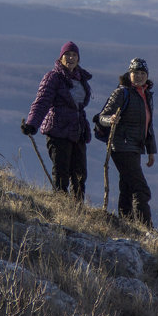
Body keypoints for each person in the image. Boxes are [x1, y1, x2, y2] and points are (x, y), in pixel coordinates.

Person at [21, 41, 93, 200]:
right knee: (61, 173)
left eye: (74, 55)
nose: (71, 58)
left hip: (78, 132)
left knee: (80, 175)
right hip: (58, 131)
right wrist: (32, 124)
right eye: (67, 54)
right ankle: (61, 207)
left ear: (78, 59)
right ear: (60, 57)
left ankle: (77, 210)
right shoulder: (53, 77)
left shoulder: (82, 79)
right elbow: (42, 101)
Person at [95, 57, 156, 227]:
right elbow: (101, 117)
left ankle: (126, 224)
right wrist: (111, 119)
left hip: (136, 147)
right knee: (141, 189)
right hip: (121, 146)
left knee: (128, 187)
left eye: (142, 73)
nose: (139, 76)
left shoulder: (146, 96)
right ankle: (146, 228)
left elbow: (149, 125)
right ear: (129, 74)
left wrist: (151, 151)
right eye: (135, 72)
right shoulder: (122, 93)